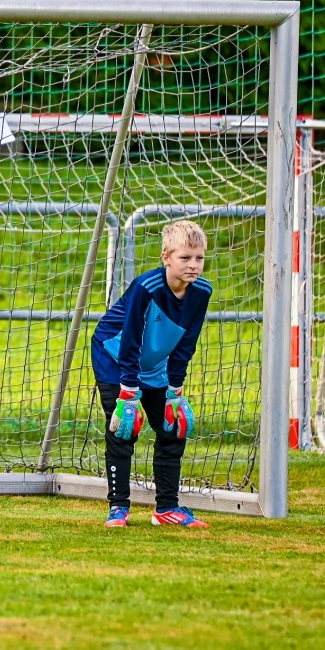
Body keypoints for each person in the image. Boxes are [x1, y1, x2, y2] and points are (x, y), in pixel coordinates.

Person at [90, 220, 213, 528]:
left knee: (173, 428)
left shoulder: (202, 292)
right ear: (166, 257)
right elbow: (130, 339)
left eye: (199, 258)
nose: (193, 265)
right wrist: (129, 392)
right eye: (185, 257)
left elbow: (186, 345)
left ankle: (167, 508)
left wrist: (175, 391)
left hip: (155, 364)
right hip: (115, 357)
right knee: (123, 428)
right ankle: (118, 508)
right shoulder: (147, 287)